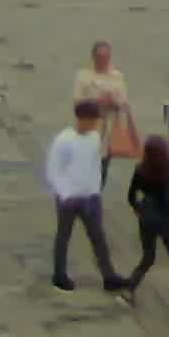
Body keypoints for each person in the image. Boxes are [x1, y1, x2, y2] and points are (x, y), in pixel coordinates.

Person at [119, 135, 169, 329]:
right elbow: (166, 201)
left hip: (145, 218)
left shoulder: (140, 170)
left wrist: (138, 207)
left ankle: (129, 290)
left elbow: (130, 196)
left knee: (148, 258)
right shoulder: (166, 174)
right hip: (162, 220)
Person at [45, 99, 119, 291]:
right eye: (93, 120)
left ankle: (109, 276)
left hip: (90, 197)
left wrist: (95, 190)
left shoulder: (94, 137)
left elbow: (95, 166)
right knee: (63, 236)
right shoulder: (64, 140)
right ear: (83, 119)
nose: (95, 123)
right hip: (68, 197)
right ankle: (59, 274)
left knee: (98, 238)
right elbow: (54, 169)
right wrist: (64, 194)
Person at [74, 40, 140, 161]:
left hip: (108, 130)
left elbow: (123, 103)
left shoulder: (117, 76)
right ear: (93, 57)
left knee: (103, 166)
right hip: (88, 128)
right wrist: (97, 101)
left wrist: (112, 102)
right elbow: (78, 103)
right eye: (100, 57)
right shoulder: (83, 76)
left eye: (106, 57)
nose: (103, 60)